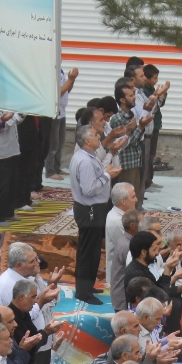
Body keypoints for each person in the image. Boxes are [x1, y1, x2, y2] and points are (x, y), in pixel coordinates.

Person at [70, 127, 120, 304]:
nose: (100, 136)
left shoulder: (88, 157)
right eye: (96, 135)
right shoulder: (84, 161)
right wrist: (108, 175)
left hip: (92, 209)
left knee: (92, 250)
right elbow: (89, 189)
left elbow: (97, 172)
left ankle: (87, 285)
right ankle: (83, 292)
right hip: (89, 210)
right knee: (88, 252)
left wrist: (109, 158)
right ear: (87, 141)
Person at [106, 183, 139, 307]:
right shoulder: (117, 221)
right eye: (133, 197)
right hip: (121, 274)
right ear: (123, 201)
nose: (136, 200)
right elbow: (131, 247)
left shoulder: (122, 216)